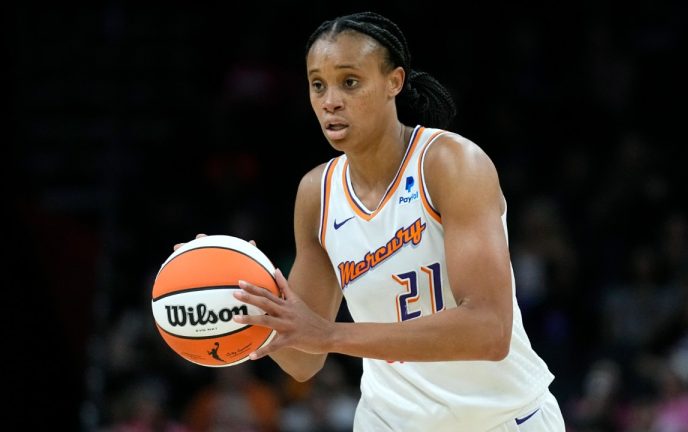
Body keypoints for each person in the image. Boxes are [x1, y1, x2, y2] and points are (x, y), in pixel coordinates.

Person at [177, 11, 564, 431]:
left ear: (393, 82)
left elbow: (488, 330)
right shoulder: (317, 194)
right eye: (317, 85)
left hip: (505, 418)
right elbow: (303, 358)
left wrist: (331, 334)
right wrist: (242, 288)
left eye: (349, 81)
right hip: (388, 421)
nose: (330, 101)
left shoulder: (450, 164)